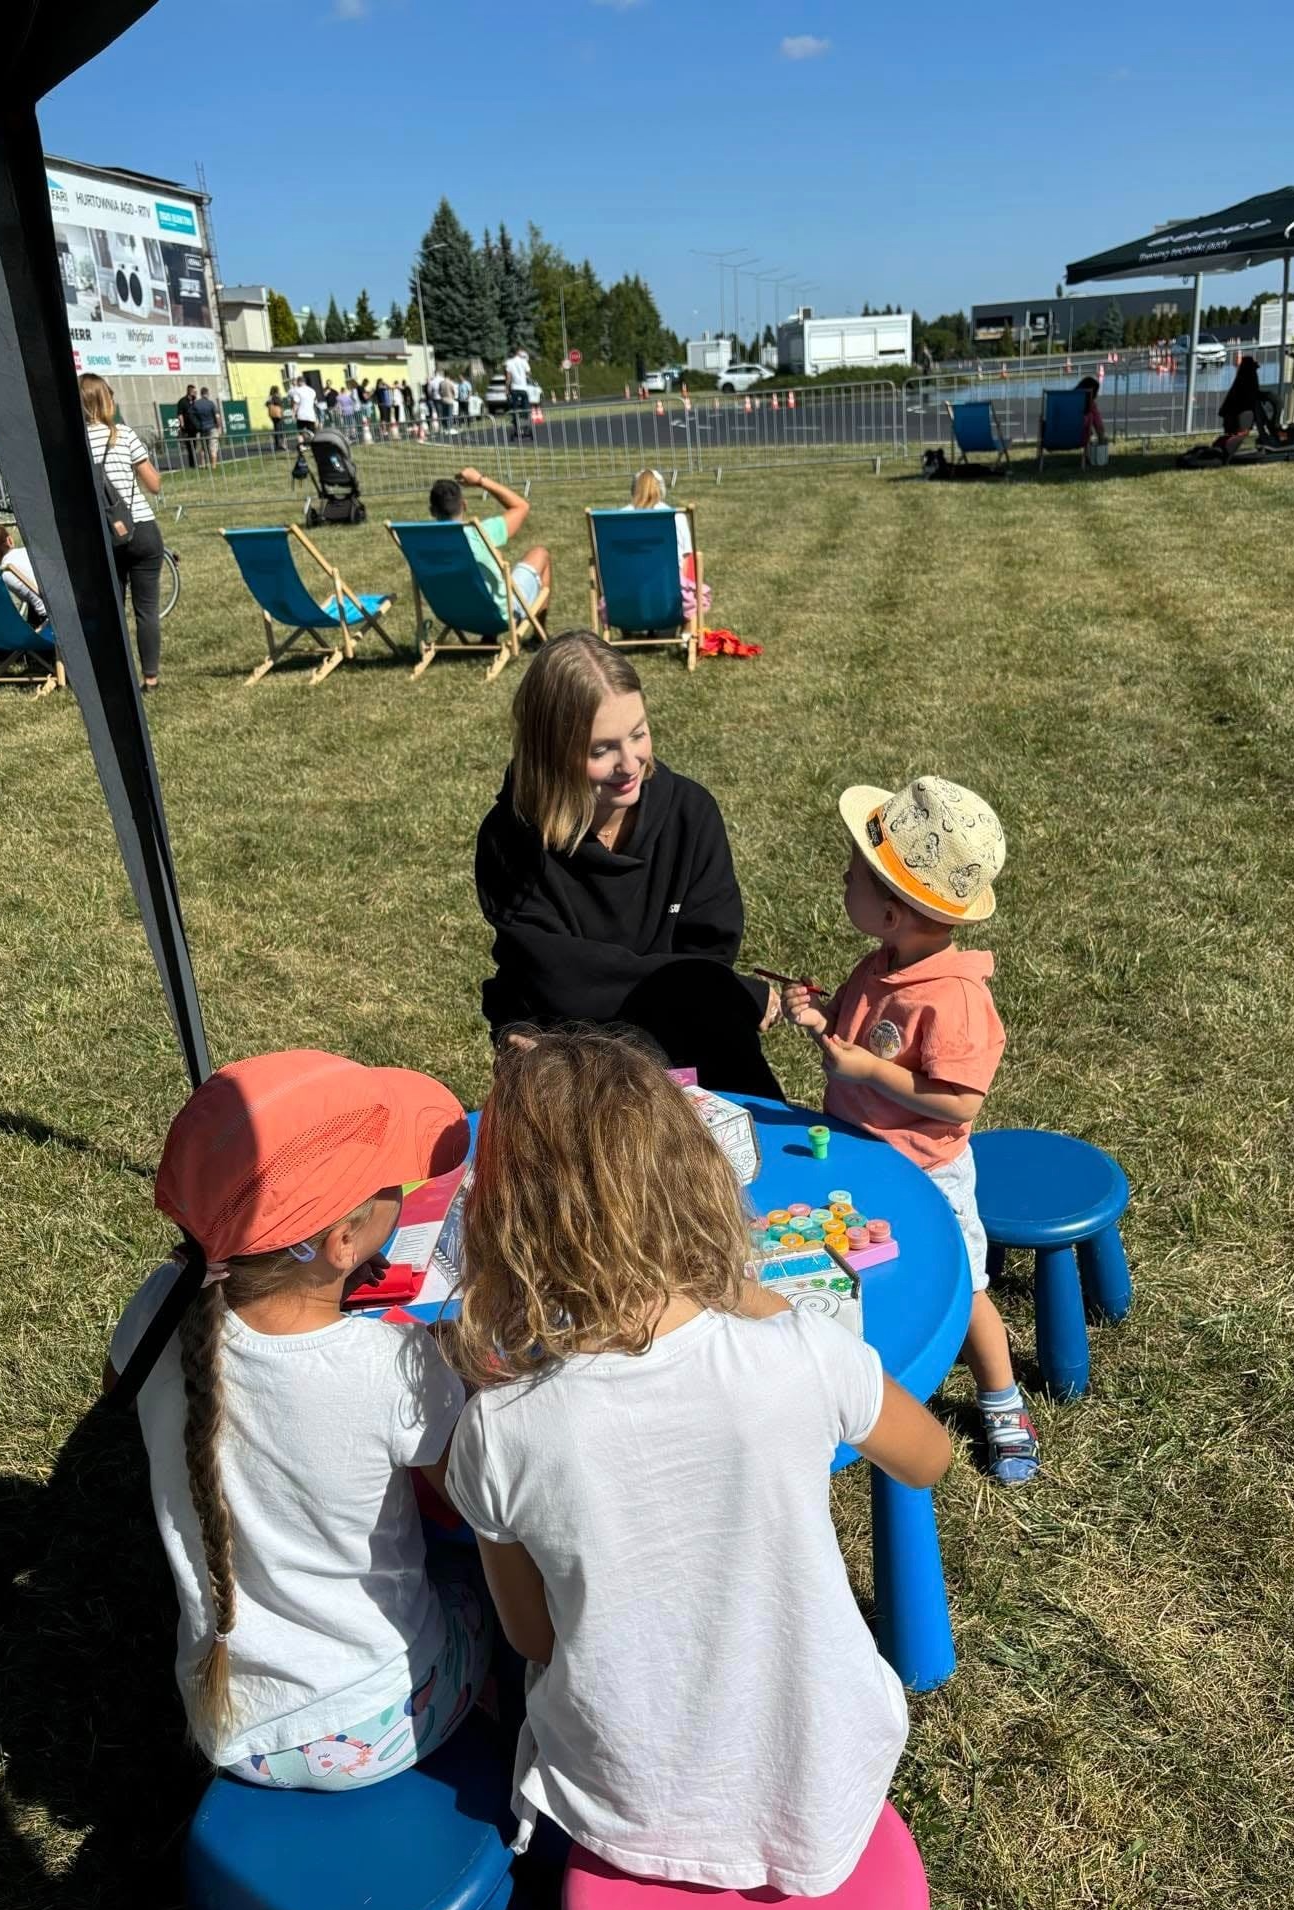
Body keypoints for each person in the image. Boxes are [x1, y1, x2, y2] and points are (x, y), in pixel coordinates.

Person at [443, 1028, 952, 1890]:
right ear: (696, 1181)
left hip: (624, 1801)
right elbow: (930, 1458)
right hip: (827, 1771)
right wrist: (749, 1298)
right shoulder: (801, 1353)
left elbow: (532, 1636)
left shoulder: (499, 1431)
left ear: (500, 1224)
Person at [108, 1049, 490, 1789]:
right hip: (374, 1722)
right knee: (485, 1600)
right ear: (343, 1243)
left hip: (224, 1711)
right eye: (393, 1192)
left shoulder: (160, 1306)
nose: (404, 1198)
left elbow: (117, 1387)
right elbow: (475, 1501)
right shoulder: (391, 1364)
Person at [785, 775, 1037, 1485]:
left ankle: (1002, 1400)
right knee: (862, 1265)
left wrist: (866, 1071)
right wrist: (828, 1017)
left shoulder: (955, 1000)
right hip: (864, 1156)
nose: (844, 878)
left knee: (967, 1287)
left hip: (926, 1172)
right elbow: (874, 1040)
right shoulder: (885, 964)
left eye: (857, 875)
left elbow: (958, 1104)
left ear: (893, 913)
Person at [474, 630, 784, 1095]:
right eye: (601, 750)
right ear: (551, 753)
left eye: (638, 734)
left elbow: (708, 956)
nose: (629, 763)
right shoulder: (510, 839)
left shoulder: (690, 813)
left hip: (683, 1031)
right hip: (566, 1050)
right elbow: (555, 979)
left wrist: (715, 988)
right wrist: (727, 990)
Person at [80, 372, 165, 692]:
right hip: (140, 527)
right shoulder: (124, 435)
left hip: (102, 535)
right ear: (105, 401)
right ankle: (151, 678)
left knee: (112, 610)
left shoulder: (75, 445)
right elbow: (154, 485)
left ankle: (116, 677)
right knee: (146, 610)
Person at [431, 466, 550, 631]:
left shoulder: (425, 543)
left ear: (432, 511)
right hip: (500, 615)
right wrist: (481, 480)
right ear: (464, 505)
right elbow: (521, 506)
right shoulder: (481, 533)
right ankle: (539, 635)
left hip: (454, 616)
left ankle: (489, 636)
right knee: (540, 553)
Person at [0, 519, 46, 624]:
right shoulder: (30, 553)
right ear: (9, 541)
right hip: (60, 612)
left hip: (45, 618)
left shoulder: (1, 573)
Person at [1216, 355, 1264, 456]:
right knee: (1239, 434)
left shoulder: (1241, 380)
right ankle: (1228, 451)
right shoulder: (1250, 380)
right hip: (1240, 414)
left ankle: (1227, 449)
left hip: (1233, 414)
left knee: (1234, 435)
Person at [505, 344, 532, 441]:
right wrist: (525, 376)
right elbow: (529, 373)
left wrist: (507, 389)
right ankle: (525, 420)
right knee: (525, 406)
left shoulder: (509, 362)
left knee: (514, 407)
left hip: (514, 388)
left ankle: (516, 421)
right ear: (518, 352)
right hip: (523, 388)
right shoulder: (523, 361)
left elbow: (508, 377)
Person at [1075, 375, 1108, 452]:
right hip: (1079, 438)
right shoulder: (1090, 404)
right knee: (1090, 416)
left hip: (1055, 437)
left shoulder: (1066, 399)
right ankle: (1089, 453)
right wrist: (1101, 437)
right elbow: (1098, 424)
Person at [193, 387, 222, 468]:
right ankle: (213, 466)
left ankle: (203, 464)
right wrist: (219, 427)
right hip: (212, 427)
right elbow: (217, 416)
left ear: (201, 393)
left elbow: (192, 416)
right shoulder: (211, 403)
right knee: (213, 447)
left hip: (201, 428)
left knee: (202, 447)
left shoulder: (196, 404)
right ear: (207, 393)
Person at [175, 382, 200, 468]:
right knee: (190, 447)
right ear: (190, 391)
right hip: (187, 428)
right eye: (194, 392)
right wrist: (182, 424)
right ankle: (192, 465)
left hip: (194, 427)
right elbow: (180, 414)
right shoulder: (182, 402)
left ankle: (195, 463)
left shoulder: (194, 401)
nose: (195, 393)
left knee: (195, 445)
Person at [265, 385, 288, 454]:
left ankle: (277, 444)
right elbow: (280, 403)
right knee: (280, 429)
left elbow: (267, 404)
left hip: (272, 415)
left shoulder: (270, 397)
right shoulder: (276, 397)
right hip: (278, 414)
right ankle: (281, 444)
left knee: (276, 428)